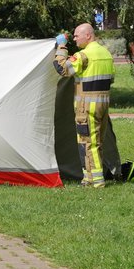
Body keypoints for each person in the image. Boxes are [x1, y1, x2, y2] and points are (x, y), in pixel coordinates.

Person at [55, 22, 115, 188]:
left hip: (87, 107)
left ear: (88, 35)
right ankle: (88, 178)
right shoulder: (106, 54)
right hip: (103, 104)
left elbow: (62, 68)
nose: (74, 39)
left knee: (88, 143)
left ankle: (97, 181)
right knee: (98, 142)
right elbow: (111, 79)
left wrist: (61, 47)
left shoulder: (83, 55)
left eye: (76, 36)